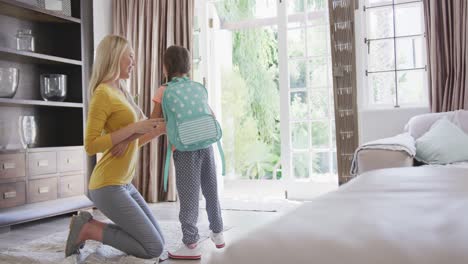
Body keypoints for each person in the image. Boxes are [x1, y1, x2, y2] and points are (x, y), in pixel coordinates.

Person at [64, 35, 166, 260]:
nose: (133, 61)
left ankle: (90, 227)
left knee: (159, 241)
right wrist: (131, 130)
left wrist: (159, 129)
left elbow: (137, 139)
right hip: (107, 185)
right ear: (115, 55)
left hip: (124, 184)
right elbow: (91, 145)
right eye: (130, 55)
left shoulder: (122, 91)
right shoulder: (103, 93)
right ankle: (89, 229)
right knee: (153, 248)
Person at [150, 45, 225, 260]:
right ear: (188, 66)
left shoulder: (163, 90)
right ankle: (218, 233)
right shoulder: (197, 87)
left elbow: (154, 122)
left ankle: (190, 243)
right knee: (211, 189)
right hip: (206, 144)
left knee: (189, 196)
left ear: (165, 67)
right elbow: (210, 114)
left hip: (184, 150)